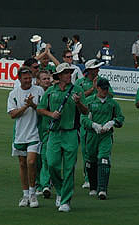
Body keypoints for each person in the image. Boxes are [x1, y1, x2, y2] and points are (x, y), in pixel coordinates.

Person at [37, 63, 88, 212]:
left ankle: (66, 200)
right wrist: (50, 114)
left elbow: (85, 111)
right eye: (66, 72)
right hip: (53, 133)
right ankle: (59, 190)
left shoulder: (78, 90)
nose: (69, 75)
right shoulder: (51, 91)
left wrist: (79, 103)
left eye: (70, 72)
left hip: (71, 133)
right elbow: (40, 109)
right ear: (59, 76)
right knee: (52, 164)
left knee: (69, 168)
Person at [7, 66, 44, 208]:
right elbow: (12, 114)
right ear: (19, 79)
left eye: (29, 78)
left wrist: (32, 105)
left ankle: (33, 193)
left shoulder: (39, 91)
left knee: (31, 162)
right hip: (20, 134)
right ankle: (25, 195)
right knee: (22, 164)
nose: (28, 80)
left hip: (34, 133)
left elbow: (41, 110)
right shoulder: (14, 94)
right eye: (25, 78)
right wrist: (26, 106)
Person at [81, 79, 124, 199]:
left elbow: (120, 118)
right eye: (103, 88)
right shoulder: (89, 101)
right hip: (91, 136)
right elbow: (83, 118)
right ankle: (93, 187)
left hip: (106, 136)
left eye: (107, 88)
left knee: (104, 159)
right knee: (91, 160)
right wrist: (93, 125)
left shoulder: (112, 104)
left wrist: (112, 122)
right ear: (97, 88)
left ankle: (103, 189)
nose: (105, 91)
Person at [75, 59, 113, 189]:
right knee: (87, 152)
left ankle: (100, 179)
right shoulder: (80, 82)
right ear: (89, 70)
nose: (98, 70)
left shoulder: (103, 81)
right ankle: (88, 178)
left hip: (102, 121)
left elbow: (110, 95)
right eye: (96, 68)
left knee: (102, 152)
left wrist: (100, 88)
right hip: (86, 123)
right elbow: (78, 98)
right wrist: (92, 89)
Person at [35, 70, 53, 198]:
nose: (47, 81)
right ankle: (38, 182)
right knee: (35, 158)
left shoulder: (53, 92)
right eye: (44, 79)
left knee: (46, 157)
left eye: (48, 78)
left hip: (48, 129)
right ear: (38, 81)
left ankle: (45, 184)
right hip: (35, 130)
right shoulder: (35, 92)